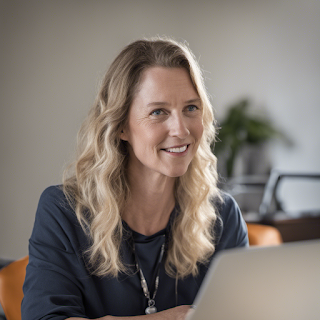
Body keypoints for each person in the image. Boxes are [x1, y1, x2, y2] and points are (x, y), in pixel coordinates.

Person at [22, 37, 248, 320]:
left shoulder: (223, 215)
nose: (181, 129)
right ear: (120, 127)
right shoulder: (63, 212)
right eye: (158, 112)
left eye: (191, 108)